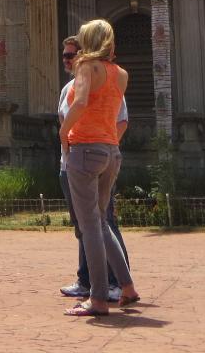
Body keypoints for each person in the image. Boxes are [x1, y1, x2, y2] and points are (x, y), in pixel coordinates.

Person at [60, 20, 141, 316]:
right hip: (110, 151)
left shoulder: (86, 67)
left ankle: (96, 298)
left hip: (84, 149)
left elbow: (80, 103)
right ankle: (127, 287)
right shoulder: (120, 74)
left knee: (89, 226)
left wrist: (63, 133)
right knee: (101, 222)